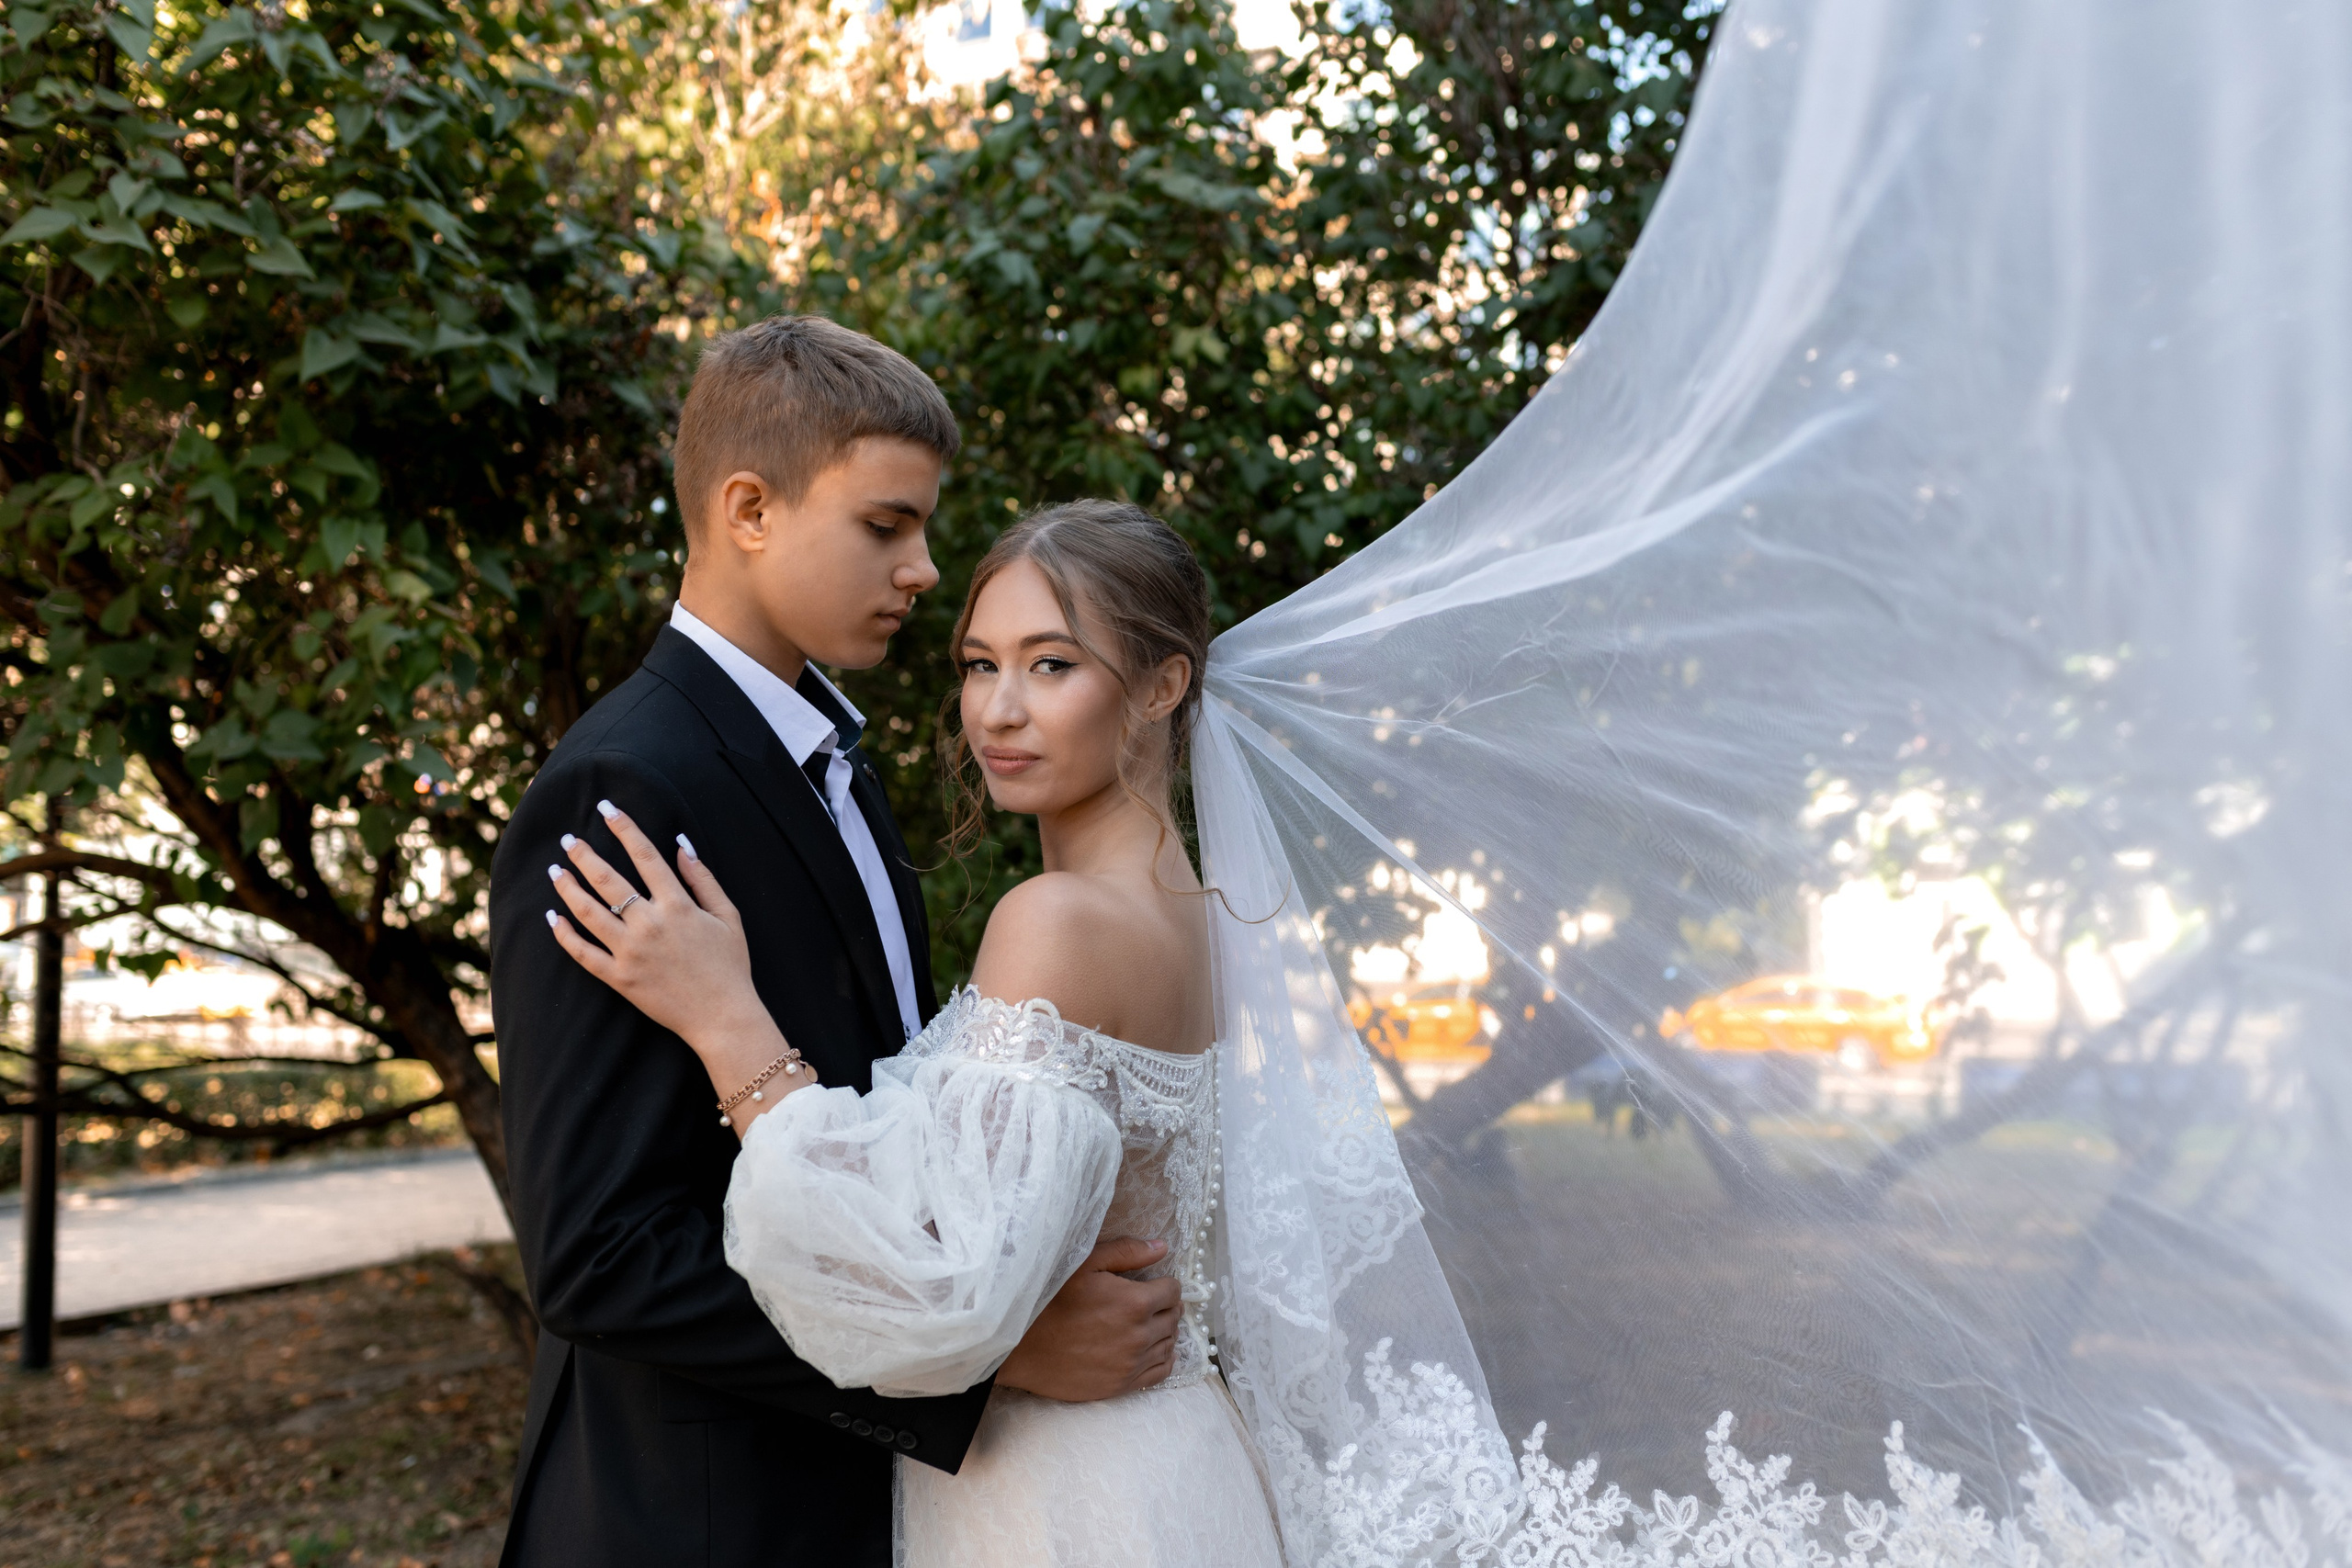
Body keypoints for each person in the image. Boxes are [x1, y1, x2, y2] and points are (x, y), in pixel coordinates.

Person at [486, 321, 1184, 1568]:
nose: (923, 567)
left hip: (881, 1509)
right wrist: (981, 1361)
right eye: (885, 525)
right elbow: (597, 1252)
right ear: (749, 507)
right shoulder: (623, 784)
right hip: (702, 1519)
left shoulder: (839, 768)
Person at [545, 500, 1286, 1566]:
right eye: (980, 665)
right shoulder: (1217, 924)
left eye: (1050, 666)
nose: (998, 711)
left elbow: (933, 1291)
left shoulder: (1057, 924)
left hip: (1068, 1499)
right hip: (1184, 1463)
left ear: (1163, 686)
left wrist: (727, 1021)